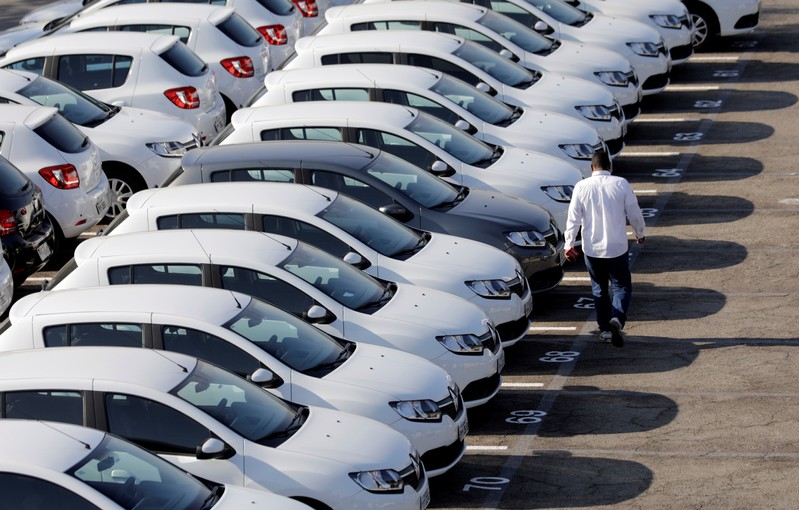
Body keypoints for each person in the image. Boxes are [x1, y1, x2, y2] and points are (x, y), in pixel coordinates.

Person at [563, 149, 645, 347]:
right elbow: (633, 211)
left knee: (599, 288)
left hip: (592, 248)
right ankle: (617, 318)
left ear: (592, 168)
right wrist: (640, 232)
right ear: (609, 166)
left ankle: (605, 329)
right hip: (617, 246)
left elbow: (573, 218)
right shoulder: (621, 184)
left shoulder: (581, 187)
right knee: (621, 286)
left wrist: (569, 243)